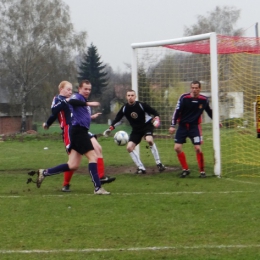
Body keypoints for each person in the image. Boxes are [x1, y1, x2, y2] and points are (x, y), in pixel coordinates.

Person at [31, 80, 110, 195]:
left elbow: (79, 111)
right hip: (78, 132)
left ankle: (44, 173)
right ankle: (98, 187)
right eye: (85, 89)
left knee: (73, 165)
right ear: (80, 89)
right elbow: (70, 102)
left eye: (89, 89)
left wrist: (90, 115)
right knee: (93, 157)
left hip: (78, 132)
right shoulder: (76, 97)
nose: (87, 91)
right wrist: (89, 104)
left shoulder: (81, 99)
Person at [103, 89, 165, 174]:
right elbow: (118, 119)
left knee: (149, 140)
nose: (130, 97)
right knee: (129, 148)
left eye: (132, 95)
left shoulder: (141, 105)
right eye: (128, 95)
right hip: (136, 130)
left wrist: (157, 119)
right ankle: (141, 168)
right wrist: (110, 128)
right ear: (126, 97)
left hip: (147, 126)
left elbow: (155, 113)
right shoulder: (125, 108)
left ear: (135, 96)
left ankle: (159, 163)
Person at [168, 80, 219, 178]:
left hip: (194, 127)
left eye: (196, 88)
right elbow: (177, 111)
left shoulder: (204, 100)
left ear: (200, 89)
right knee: (177, 148)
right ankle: (185, 169)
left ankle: (202, 172)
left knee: (197, 148)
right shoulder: (184, 97)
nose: (194, 90)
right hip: (182, 126)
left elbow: (209, 111)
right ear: (190, 88)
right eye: (193, 88)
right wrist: (172, 125)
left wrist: (217, 121)